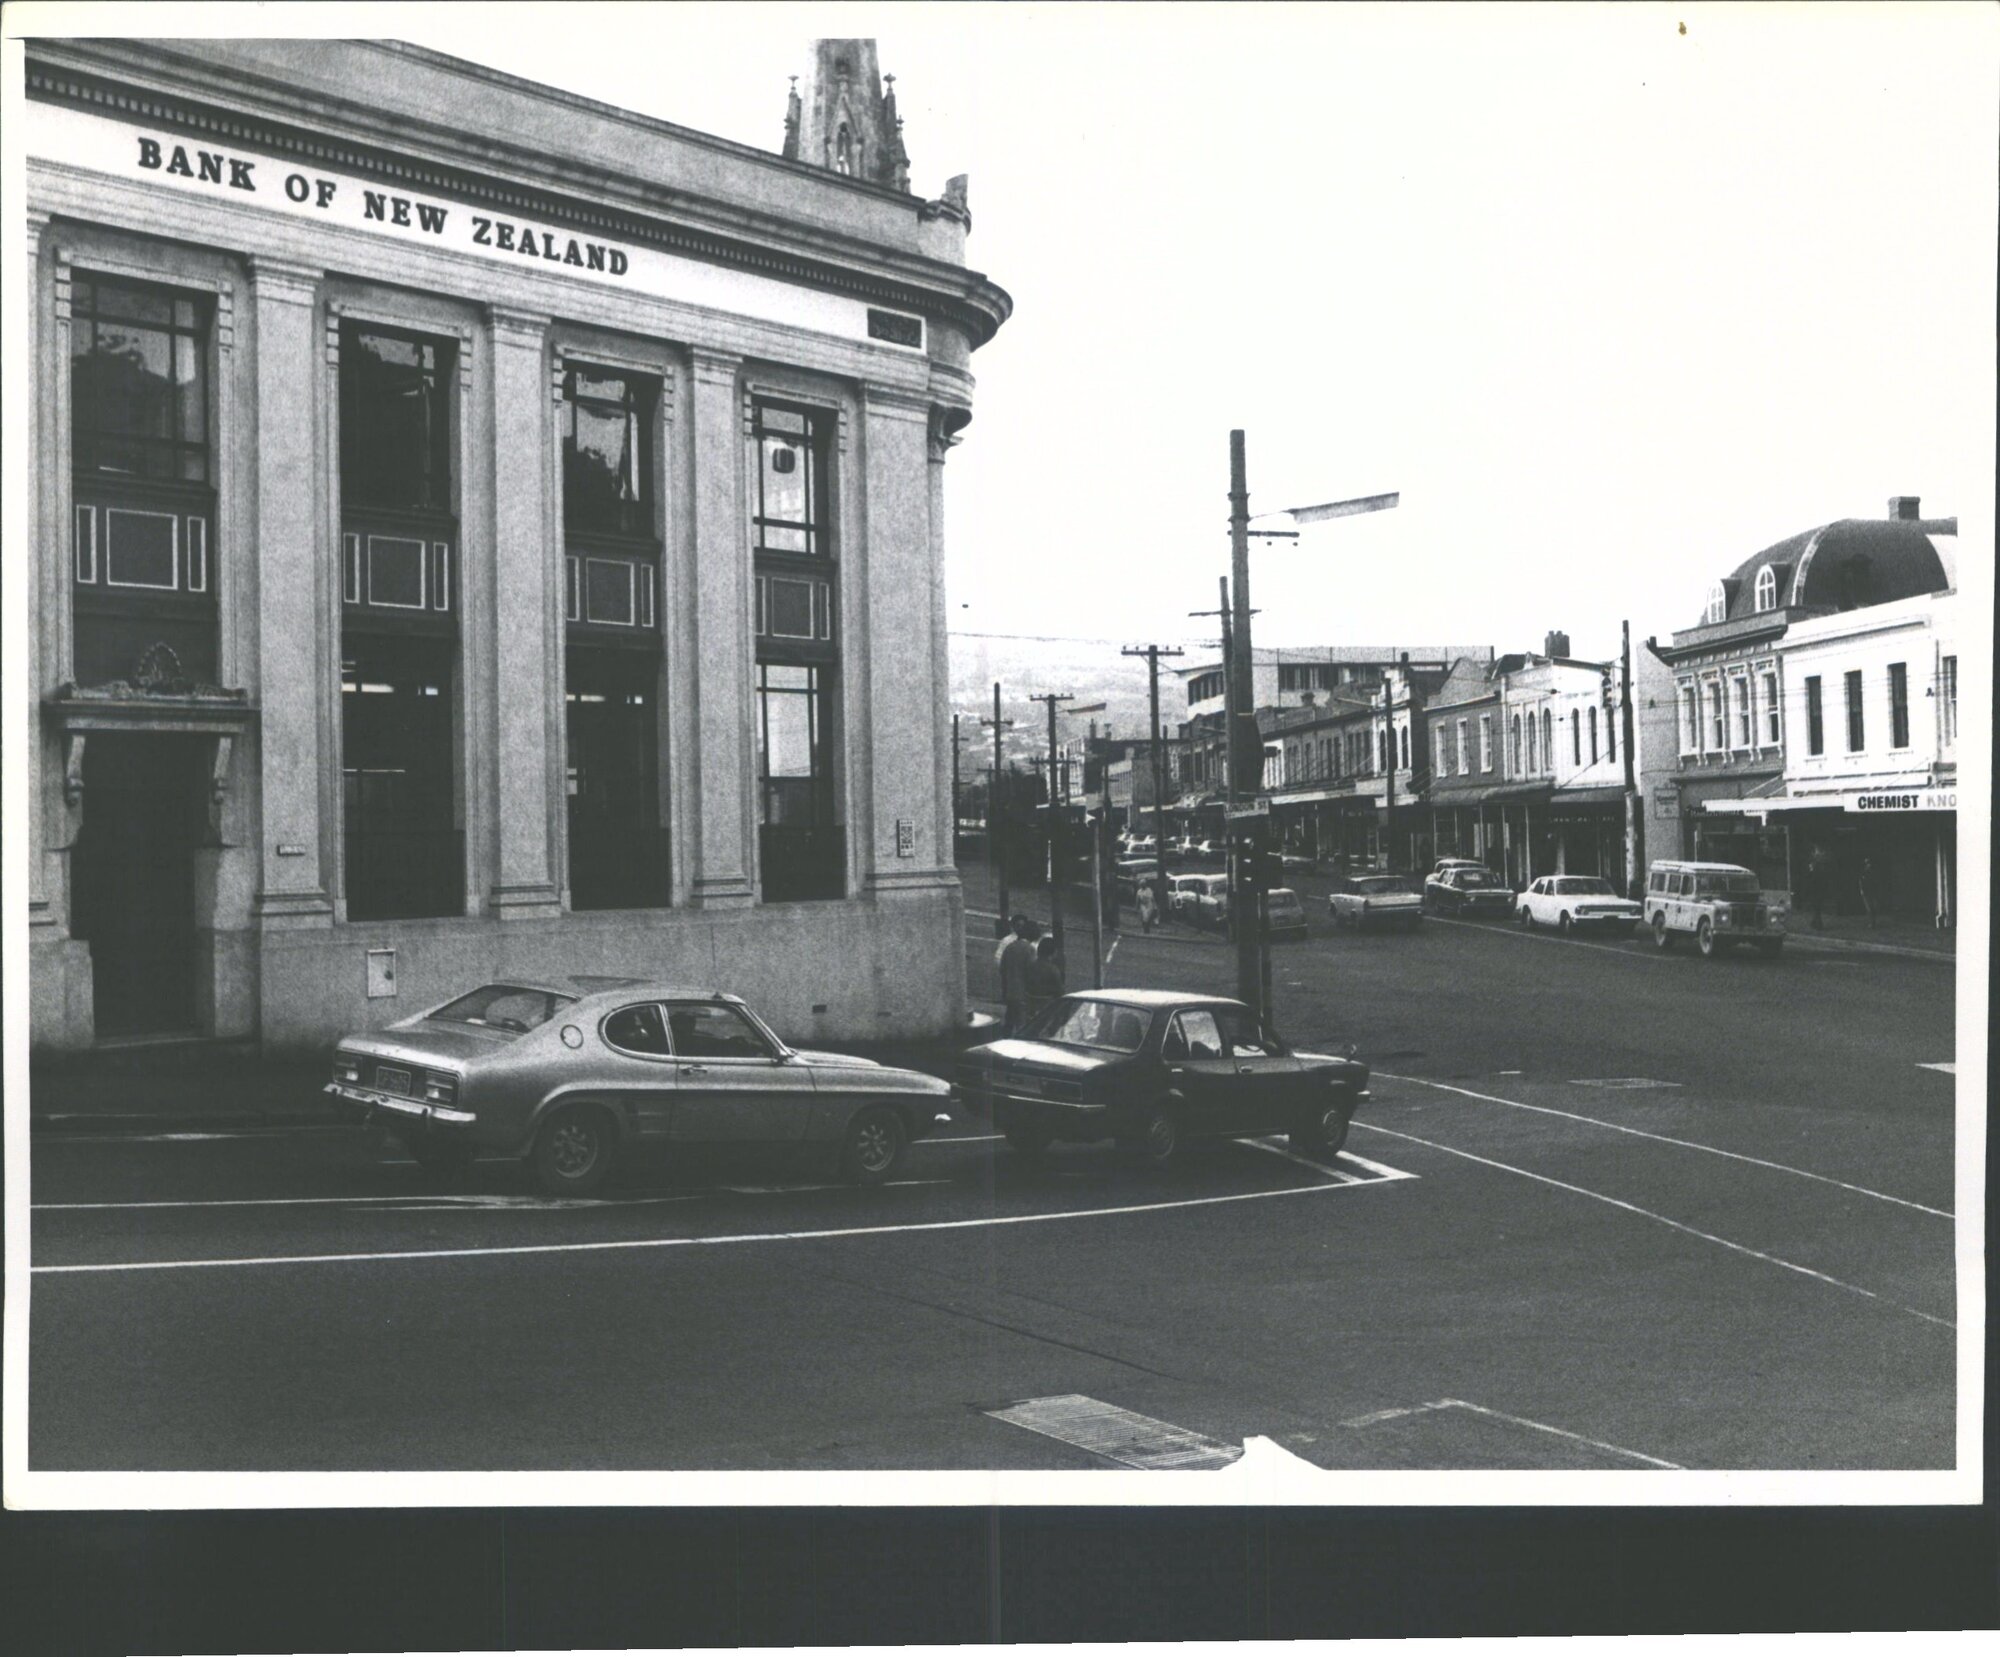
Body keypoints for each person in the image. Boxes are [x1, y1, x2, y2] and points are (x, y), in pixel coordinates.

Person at [1000, 918, 1039, 1035]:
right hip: (1024, 993)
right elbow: (1032, 972)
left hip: (1010, 991)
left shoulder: (1010, 947)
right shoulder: (1030, 950)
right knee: (1022, 1026)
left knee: (1009, 1022)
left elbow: (1002, 969)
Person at [1026, 934, 1065, 1023]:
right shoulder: (1053, 970)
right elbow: (1060, 992)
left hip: (1030, 1006)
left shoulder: (1030, 966)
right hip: (1047, 1008)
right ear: (1053, 952)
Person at [1807, 844, 1833, 929]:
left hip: (1816, 891)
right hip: (1818, 890)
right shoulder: (1820, 866)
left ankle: (1818, 924)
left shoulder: (1817, 868)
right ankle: (1815, 923)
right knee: (1816, 908)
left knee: (1816, 908)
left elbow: (1814, 880)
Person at [1858, 856, 1878, 926]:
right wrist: (1861, 890)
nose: (1868, 865)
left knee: (1874, 907)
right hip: (1866, 892)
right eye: (1866, 863)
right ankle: (1871, 922)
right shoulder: (1862, 872)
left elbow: (1876, 882)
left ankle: (1874, 921)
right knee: (1869, 908)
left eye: (1869, 863)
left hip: (1872, 892)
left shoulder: (1873, 872)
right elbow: (1860, 881)